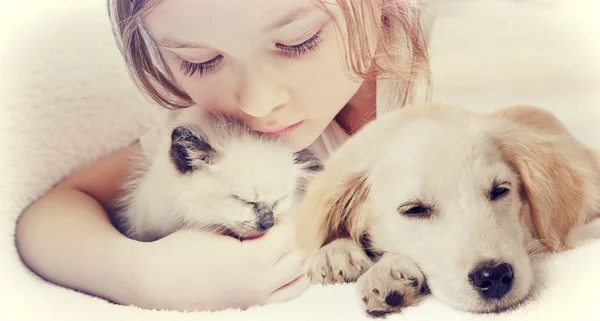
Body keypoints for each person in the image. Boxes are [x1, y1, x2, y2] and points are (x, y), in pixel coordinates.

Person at [15, 0, 432, 312]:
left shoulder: (460, 65)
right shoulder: (222, 130)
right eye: (200, 60)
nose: (258, 102)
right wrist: (144, 276)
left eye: (297, 40)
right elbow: (55, 212)